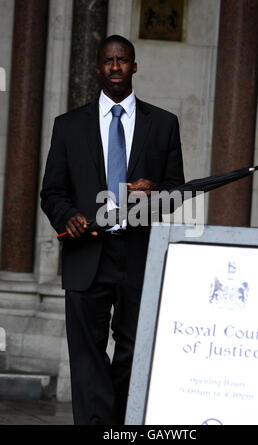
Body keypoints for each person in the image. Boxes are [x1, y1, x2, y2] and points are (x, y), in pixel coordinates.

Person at [40, 34, 184, 425]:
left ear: (134, 66)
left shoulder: (164, 124)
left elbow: (176, 193)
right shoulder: (68, 126)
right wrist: (66, 215)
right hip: (86, 252)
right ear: (98, 67)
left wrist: (153, 193)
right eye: (108, 60)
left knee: (133, 352)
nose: (116, 66)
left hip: (138, 253)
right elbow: (52, 191)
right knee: (87, 357)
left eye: (123, 60)